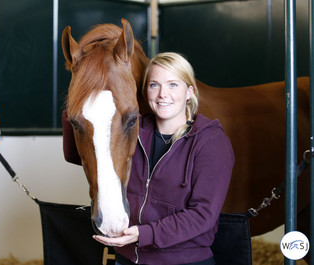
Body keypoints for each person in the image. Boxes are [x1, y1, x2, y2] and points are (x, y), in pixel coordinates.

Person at [63, 52, 234, 265]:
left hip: (184, 261)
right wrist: (79, 89)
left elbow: (202, 216)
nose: (163, 94)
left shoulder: (211, 142)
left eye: (173, 85)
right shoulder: (130, 131)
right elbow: (75, 155)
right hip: (127, 259)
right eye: (154, 85)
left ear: (189, 91)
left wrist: (143, 234)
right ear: (145, 91)